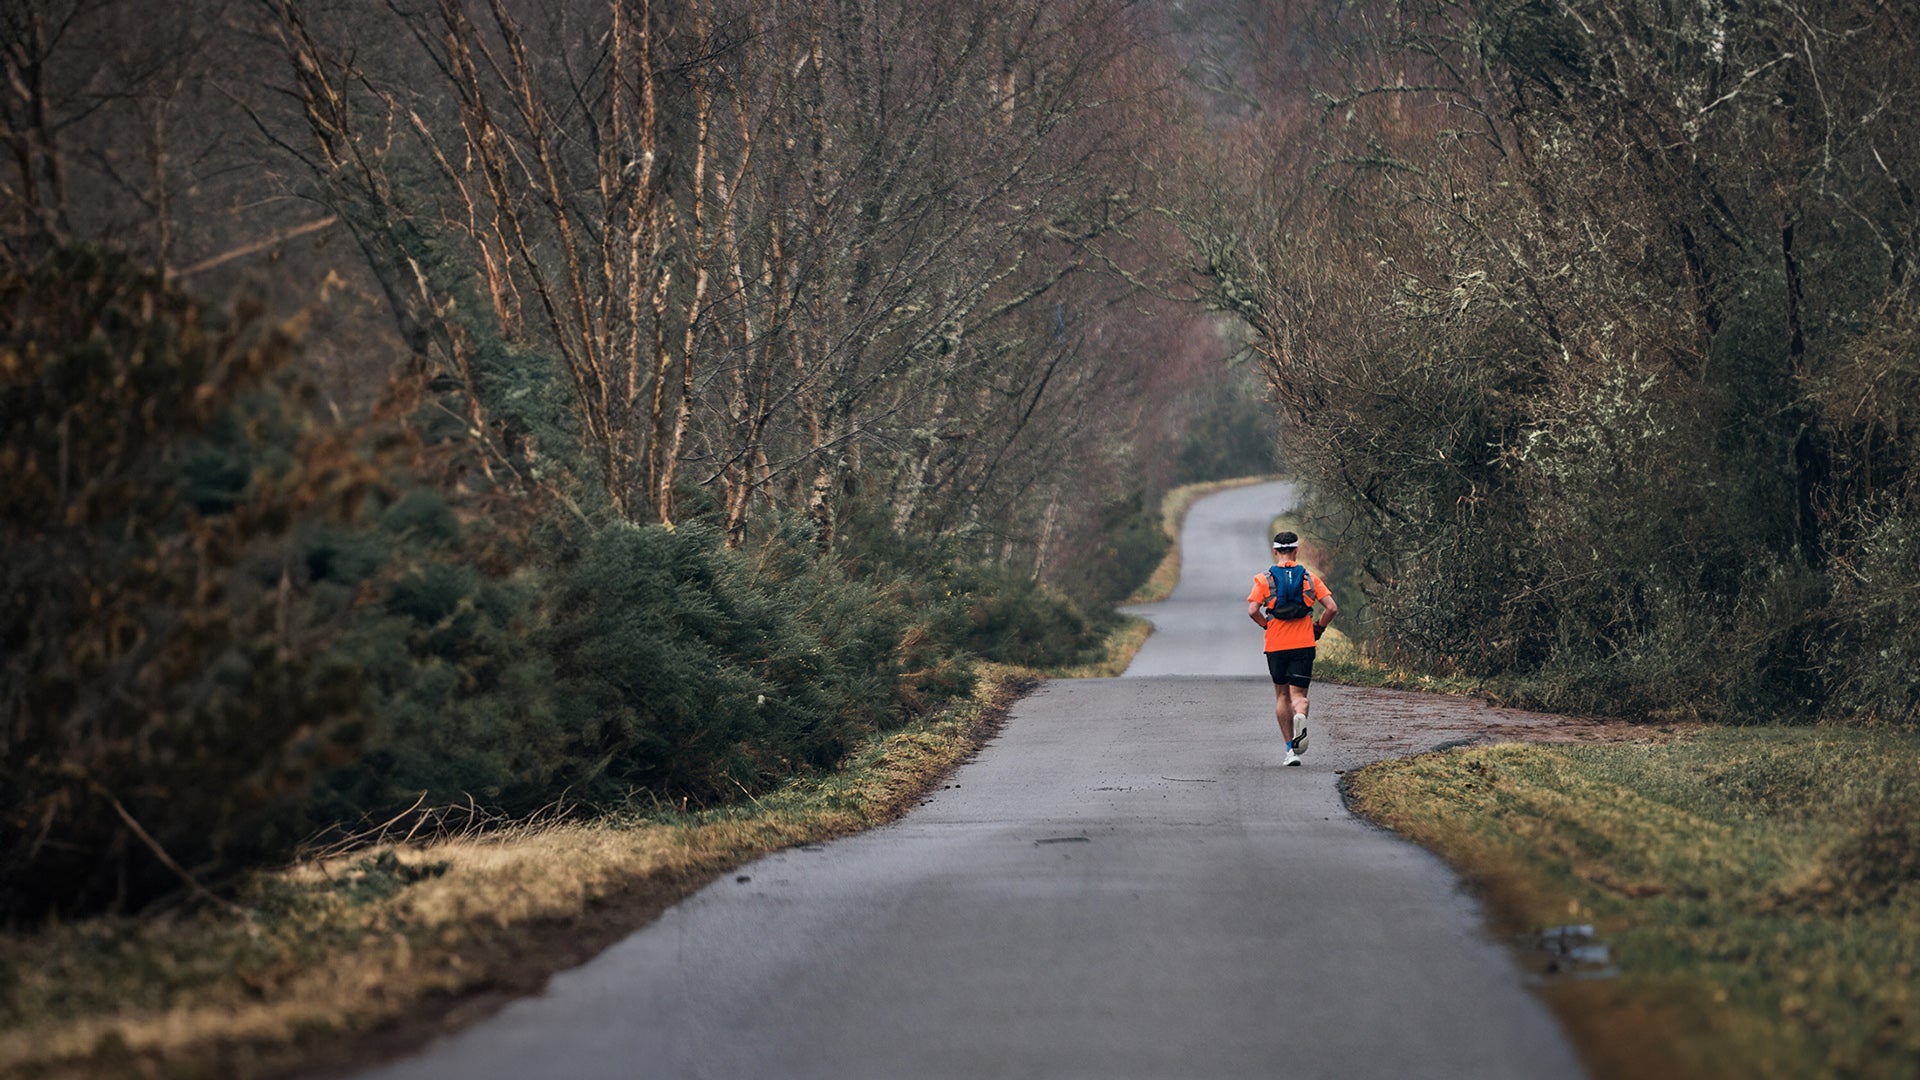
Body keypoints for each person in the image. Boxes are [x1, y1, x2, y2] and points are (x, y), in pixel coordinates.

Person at [1247, 531, 1338, 766]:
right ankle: (1301, 714)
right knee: (1299, 696)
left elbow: (1253, 610)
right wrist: (1318, 628)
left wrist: (1266, 625)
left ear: (1275, 551)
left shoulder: (1263, 580)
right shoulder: (1309, 578)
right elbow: (1331, 608)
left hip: (1276, 644)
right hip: (1304, 642)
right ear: (1296, 551)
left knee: (1282, 695)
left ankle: (1290, 751)